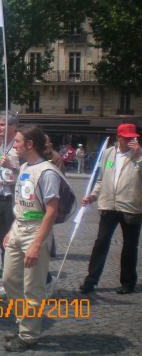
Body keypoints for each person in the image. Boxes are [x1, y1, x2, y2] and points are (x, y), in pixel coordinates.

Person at [2, 125, 62, 352]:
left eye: (17, 142)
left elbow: (51, 211)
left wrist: (37, 244)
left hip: (35, 232)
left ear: (29, 145)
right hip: (18, 228)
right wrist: (11, 230)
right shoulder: (25, 166)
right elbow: (20, 204)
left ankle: (29, 335)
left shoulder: (47, 172)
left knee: (32, 288)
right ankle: (23, 322)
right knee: (9, 280)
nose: (14, 145)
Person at [80, 123, 142, 295]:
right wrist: (92, 196)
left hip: (131, 207)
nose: (131, 140)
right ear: (119, 138)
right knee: (100, 243)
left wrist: (139, 155)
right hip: (108, 205)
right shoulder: (108, 153)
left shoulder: (139, 154)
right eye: (127, 137)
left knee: (130, 247)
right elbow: (101, 179)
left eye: (133, 137)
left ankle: (128, 282)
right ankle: (90, 281)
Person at [0, 112, 21, 278]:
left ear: (13, 126)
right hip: (2, 194)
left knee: (15, 235)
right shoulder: (1, 144)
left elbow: (28, 172)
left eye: (2, 124)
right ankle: (5, 265)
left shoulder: (19, 144)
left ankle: (18, 268)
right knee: (3, 233)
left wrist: (11, 166)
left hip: (15, 197)